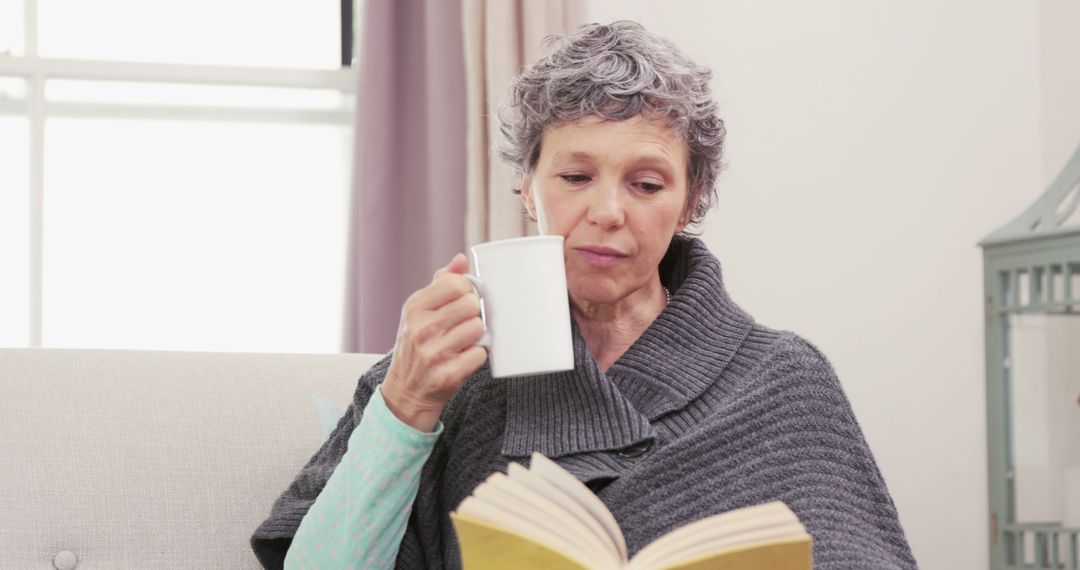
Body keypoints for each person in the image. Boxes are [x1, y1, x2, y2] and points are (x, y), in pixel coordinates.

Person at [252, 21, 918, 570]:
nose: (607, 211)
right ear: (527, 188)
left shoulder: (782, 379)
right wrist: (404, 408)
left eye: (647, 185)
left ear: (690, 202)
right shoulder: (441, 379)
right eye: (575, 175)